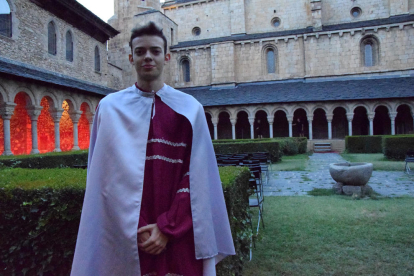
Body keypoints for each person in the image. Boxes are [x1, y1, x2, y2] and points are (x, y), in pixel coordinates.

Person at [71, 22, 235, 276]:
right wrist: (136, 228)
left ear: (167, 57)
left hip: (179, 234)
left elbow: (196, 179)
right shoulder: (110, 109)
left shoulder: (190, 110)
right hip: (126, 234)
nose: (148, 56)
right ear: (131, 58)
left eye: (155, 51)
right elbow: (104, 179)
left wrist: (166, 228)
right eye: (140, 51)